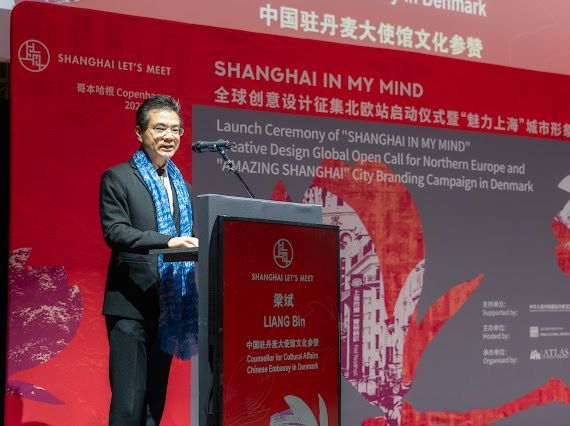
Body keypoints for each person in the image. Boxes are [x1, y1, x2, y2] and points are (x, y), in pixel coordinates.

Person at [99, 95, 198, 425]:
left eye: (175, 129)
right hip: (130, 306)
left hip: (169, 307)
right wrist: (167, 241)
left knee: (155, 406)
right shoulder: (118, 178)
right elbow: (115, 232)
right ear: (140, 132)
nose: (169, 136)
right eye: (160, 128)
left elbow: (191, 239)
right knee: (129, 405)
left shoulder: (184, 187)